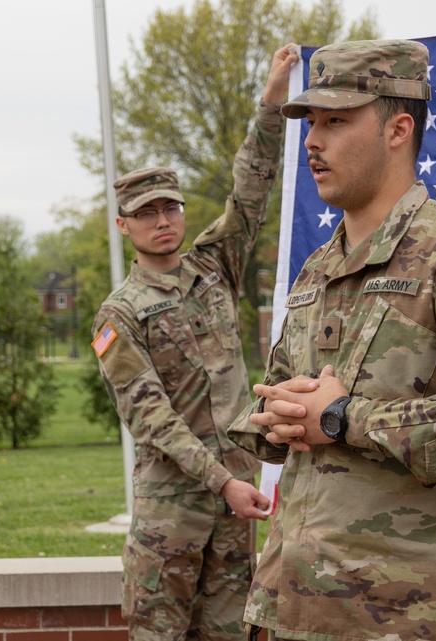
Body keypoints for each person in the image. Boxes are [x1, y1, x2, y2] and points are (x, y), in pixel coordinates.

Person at [227, 40, 436, 641]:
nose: (313, 142)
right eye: (311, 123)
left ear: (399, 128)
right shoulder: (317, 270)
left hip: (417, 620)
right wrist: (276, 417)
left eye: (336, 121)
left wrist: (345, 417)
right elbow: (286, 400)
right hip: (291, 608)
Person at [90, 44, 298, 641]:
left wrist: (272, 98)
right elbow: (149, 415)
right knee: (160, 633)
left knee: (231, 632)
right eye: (147, 212)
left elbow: (251, 193)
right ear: (123, 224)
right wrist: (223, 480)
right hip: (173, 511)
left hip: (235, 500)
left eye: (171, 207)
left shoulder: (215, 269)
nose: (163, 220)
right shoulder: (118, 314)